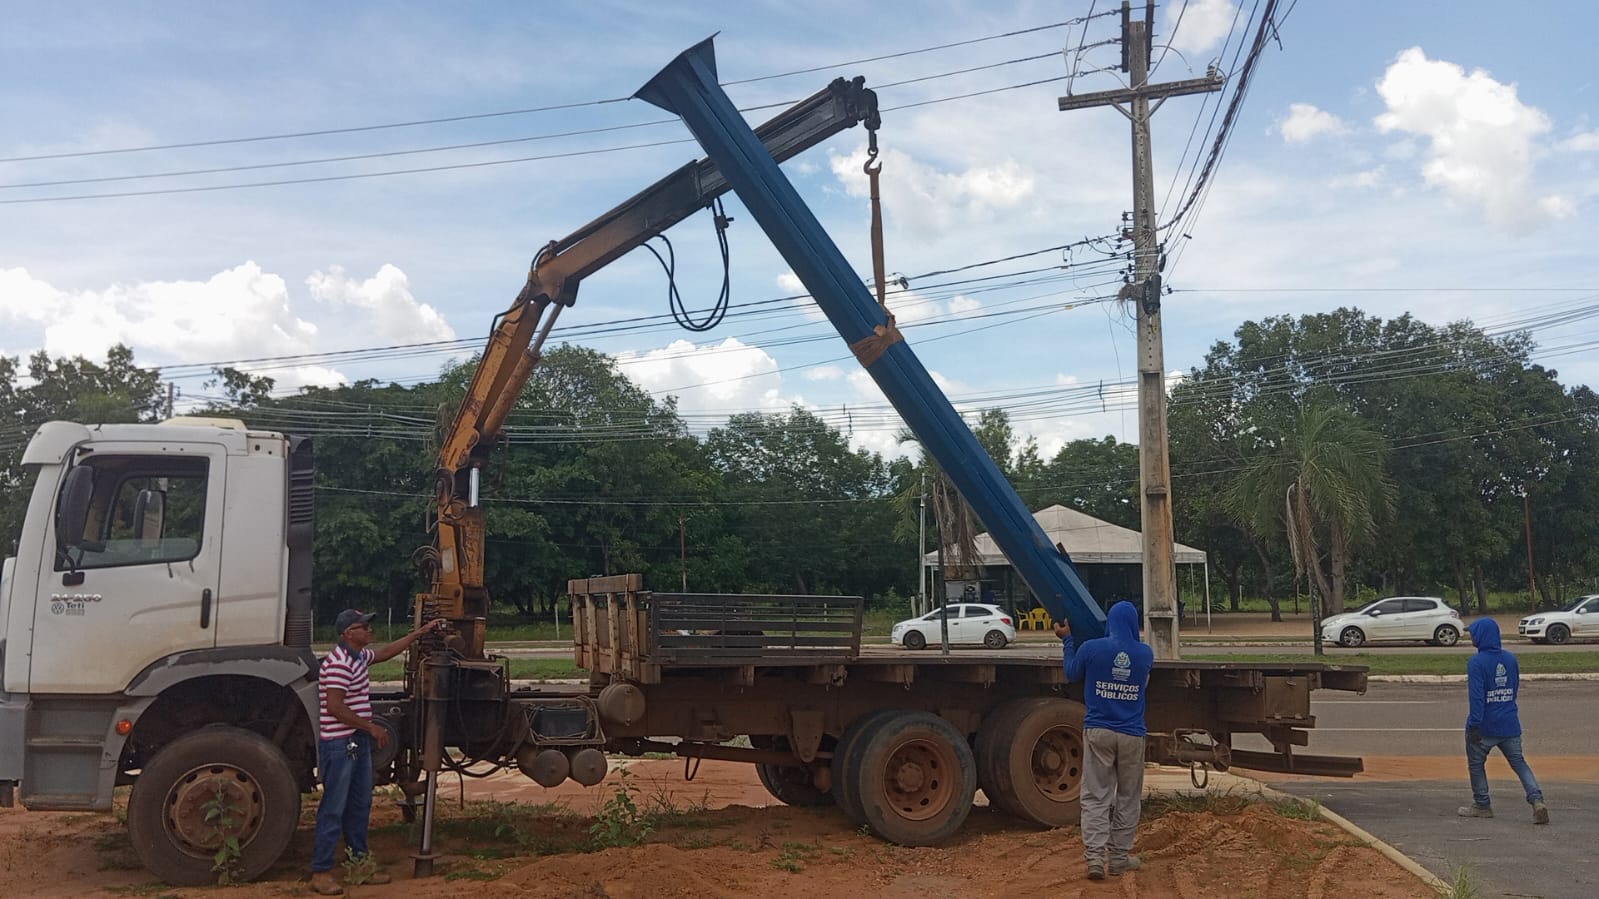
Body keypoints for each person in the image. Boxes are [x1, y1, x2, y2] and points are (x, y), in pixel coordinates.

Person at [311, 610, 445, 896]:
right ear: (348, 633)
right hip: (340, 743)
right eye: (363, 627)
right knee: (334, 806)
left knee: (360, 804)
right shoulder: (339, 664)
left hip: (355, 741)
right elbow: (335, 706)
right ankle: (321, 872)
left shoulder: (359, 656)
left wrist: (418, 634)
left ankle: (359, 864)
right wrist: (371, 727)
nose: (369, 630)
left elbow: (384, 653)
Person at [1058, 601, 1154, 881]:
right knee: (1128, 797)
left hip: (1098, 731)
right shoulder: (1145, 654)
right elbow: (1143, 683)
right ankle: (1120, 858)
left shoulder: (1091, 649)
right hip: (1132, 734)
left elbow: (1071, 672)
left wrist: (1067, 640)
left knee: (1096, 796)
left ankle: (1095, 859)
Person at [1458, 618, 1549, 824]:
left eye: (1473, 634)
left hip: (1485, 726)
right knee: (1519, 763)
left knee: (1476, 765)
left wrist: (1474, 724)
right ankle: (1537, 800)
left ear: (1481, 636)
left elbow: (1477, 698)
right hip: (1509, 723)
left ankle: (1482, 805)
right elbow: (1514, 688)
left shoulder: (1476, 663)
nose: (1471, 637)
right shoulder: (1510, 659)